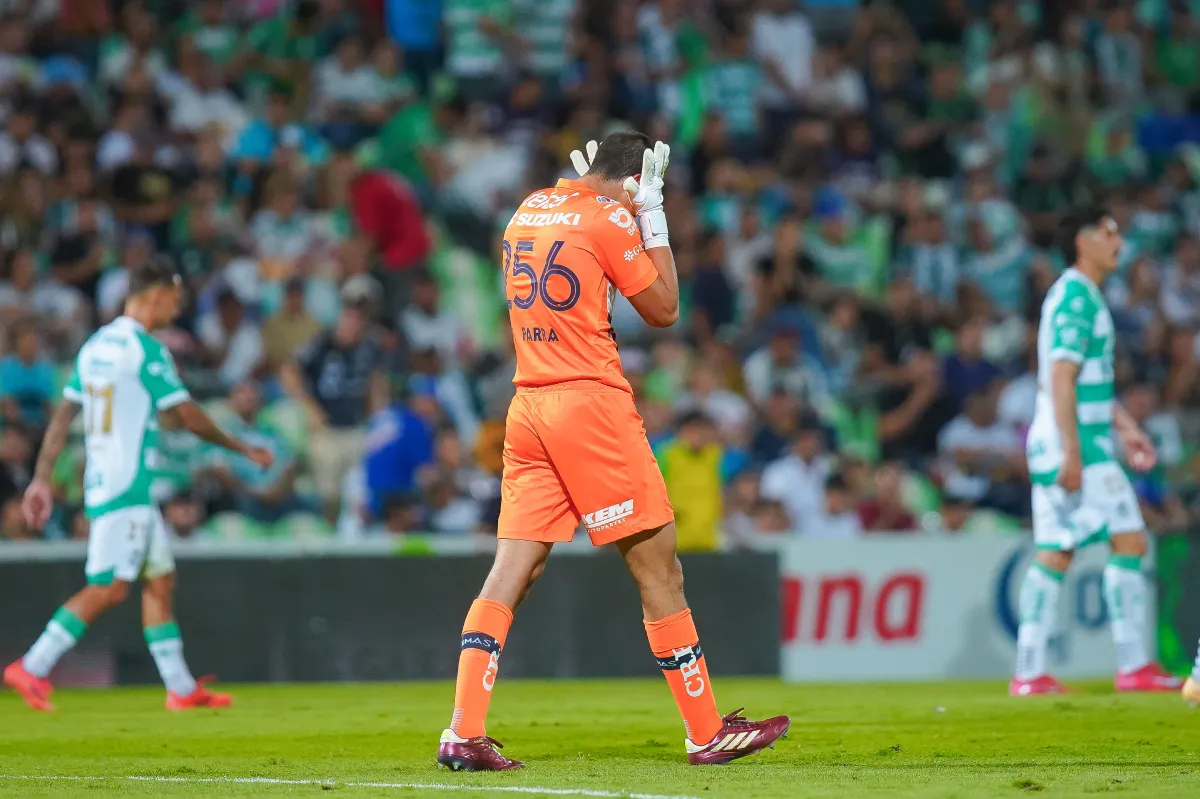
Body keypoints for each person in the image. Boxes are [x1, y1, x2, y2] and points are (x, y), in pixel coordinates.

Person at [436, 132, 789, 772]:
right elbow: (665, 309)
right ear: (629, 184)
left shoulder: (528, 208)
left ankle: (462, 730)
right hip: (588, 406)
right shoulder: (610, 216)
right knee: (660, 572)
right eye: (638, 193)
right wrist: (649, 218)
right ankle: (706, 731)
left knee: (511, 570)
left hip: (528, 406)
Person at [3, 261, 273, 712]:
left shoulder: (94, 348)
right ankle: (32, 665)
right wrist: (241, 448)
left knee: (160, 580)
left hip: (111, 481)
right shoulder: (144, 350)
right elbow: (185, 414)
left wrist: (42, 477)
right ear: (156, 295)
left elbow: (64, 415)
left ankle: (181, 688)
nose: (178, 306)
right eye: (175, 297)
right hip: (126, 485)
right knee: (108, 587)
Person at [1012, 209, 1181, 697]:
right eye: (1109, 232)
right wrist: (1073, 451)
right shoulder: (1076, 297)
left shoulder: (1079, 295)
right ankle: (1132, 665)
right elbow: (1061, 377)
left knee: (1055, 553)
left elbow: (1088, 384)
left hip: (1068, 439)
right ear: (1083, 241)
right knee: (1130, 540)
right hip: (1077, 443)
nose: (1119, 241)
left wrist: (1127, 428)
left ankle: (1028, 672)